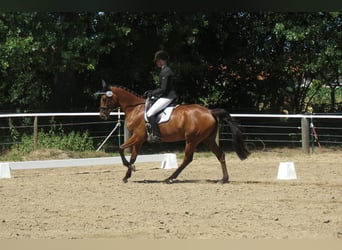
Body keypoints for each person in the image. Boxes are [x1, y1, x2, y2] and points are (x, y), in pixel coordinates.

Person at [144, 50, 177, 143]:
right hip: (165, 96)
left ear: (163, 61)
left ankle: (158, 136)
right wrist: (152, 92)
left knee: (150, 113)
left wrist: (152, 93)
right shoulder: (164, 70)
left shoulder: (166, 71)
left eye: (158, 60)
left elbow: (163, 89)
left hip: (167, 97)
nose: (156, 62)